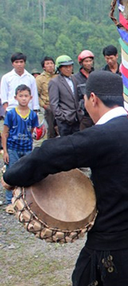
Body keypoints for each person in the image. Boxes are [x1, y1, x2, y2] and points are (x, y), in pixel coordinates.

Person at [2, 71, 128, 286]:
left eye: (85, 99)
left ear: (93, 98)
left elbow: (50, 154)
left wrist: (11, 176)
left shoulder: (103, 136)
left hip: (105, 250)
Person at [2, 84, 39, 213]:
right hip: (13, 147)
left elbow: (34, 132)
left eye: (26, 96)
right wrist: (5, 151)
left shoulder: (33, 115)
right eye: (21, 96)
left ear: (31, 97)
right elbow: (5, 133)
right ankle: (10, 201)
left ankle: (26, 200)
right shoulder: (11, 114)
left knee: (27, 172)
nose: (24, 99)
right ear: (15, 97)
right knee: (11, 172)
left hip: (27, 147)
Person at [49, 55, 81, 136]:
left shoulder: (74, 79)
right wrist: (62, 117)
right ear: (59, 68)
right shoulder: (55, 82)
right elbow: (53, 103)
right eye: (65, 67)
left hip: (77, 118)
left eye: (70, 66)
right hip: (65, 120)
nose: (68, 69)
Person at [1, 52, 40, 117]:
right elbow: (3, 95)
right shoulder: (6, 78)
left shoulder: (30, 78)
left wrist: (35, 110)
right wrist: (6, 109)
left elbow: (34, 94)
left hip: (28, 109)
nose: (19, 64)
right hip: (12, 109)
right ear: (12, 64)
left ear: (24, 63)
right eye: (16, 62)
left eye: (21, 62)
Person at [36, 56, 58, 138]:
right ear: (43, 67)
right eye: (47, 64)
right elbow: (36, 94)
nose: (50, 65)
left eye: (52, 63)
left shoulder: (58, 76)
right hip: (48, 106)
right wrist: (44, 106)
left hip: (60, 105)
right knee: (51, 129)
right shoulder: (40, 79)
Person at [73, 50, 95, 130]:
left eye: (90, 61)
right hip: (84, 113)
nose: (89, 63)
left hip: (96, 111)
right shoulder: (75, 78)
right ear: (81, 63)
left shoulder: (96, 75)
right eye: (86, 61)